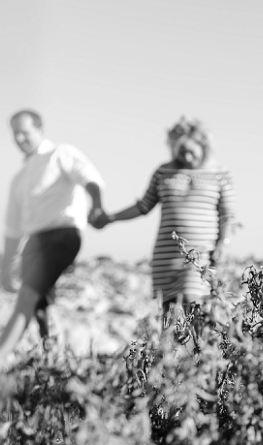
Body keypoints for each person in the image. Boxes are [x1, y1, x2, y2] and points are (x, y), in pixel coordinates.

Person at [0, 109, 106, 388]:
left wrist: (97, 205)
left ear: (40, 129)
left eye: (25, 132)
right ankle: (55, 364)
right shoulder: (19, 178)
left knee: (26, 298)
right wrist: (6, 267)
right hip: (34, 242)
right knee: (42, 307)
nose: (20, 138)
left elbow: (89, 178)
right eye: (15, 134)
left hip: (63, 235)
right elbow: (12, 229)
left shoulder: (61, 154)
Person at [92, 117, 233, 315]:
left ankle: (198, 347)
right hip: (166, 256)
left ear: (203, 146)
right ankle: (167, 348)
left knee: (194, 306)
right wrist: (110, 218)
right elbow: (143, 206)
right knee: (169, 317)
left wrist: (222, 244)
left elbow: (227, 215)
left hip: (199, 254)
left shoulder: (219, 174)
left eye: (191, 151)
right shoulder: (164, 171)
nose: (186, 157)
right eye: (180, 152)